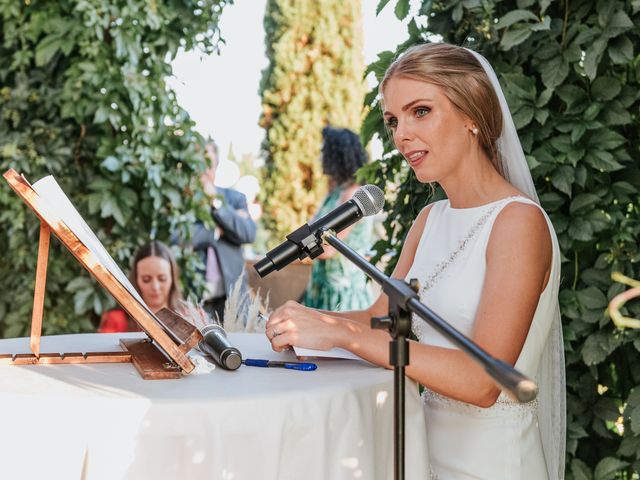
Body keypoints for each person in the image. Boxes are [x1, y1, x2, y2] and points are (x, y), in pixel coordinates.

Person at [265, 43, 565, 480]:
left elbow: (483, 383)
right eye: (393, 120)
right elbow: (379, 320)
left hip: (494, 465)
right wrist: (305, 321)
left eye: (419, 111)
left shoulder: (519, 222)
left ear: (471, 115)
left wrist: (341, 334)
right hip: (422, 452)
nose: (401, 134)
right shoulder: (429, 218)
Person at [302, 126, 374, 311]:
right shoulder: (334, 193)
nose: (320, 158)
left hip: (343, 294)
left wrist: (305, 242)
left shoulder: (353, 195)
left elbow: (327, 249)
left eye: (324, 151)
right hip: (322, 289)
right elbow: (308, 234)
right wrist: (307, 240)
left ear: (337, 155)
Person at [190, 140, 257, 323]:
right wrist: (217, 230)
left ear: (216, 165)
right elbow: (181, 238)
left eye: (208, 163)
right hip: (194, 301)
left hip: (231, 300)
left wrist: (216, 202)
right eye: (198, 163)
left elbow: (248, 233)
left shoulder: (234, 199)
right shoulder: (182, 200)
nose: (203, 169)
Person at [98, 240, 183, 332]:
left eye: (162, 279)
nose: (155, 287)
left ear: (173, 278)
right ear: (136, 279)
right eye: (146, 280)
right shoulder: (116, 320)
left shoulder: (189, 316)